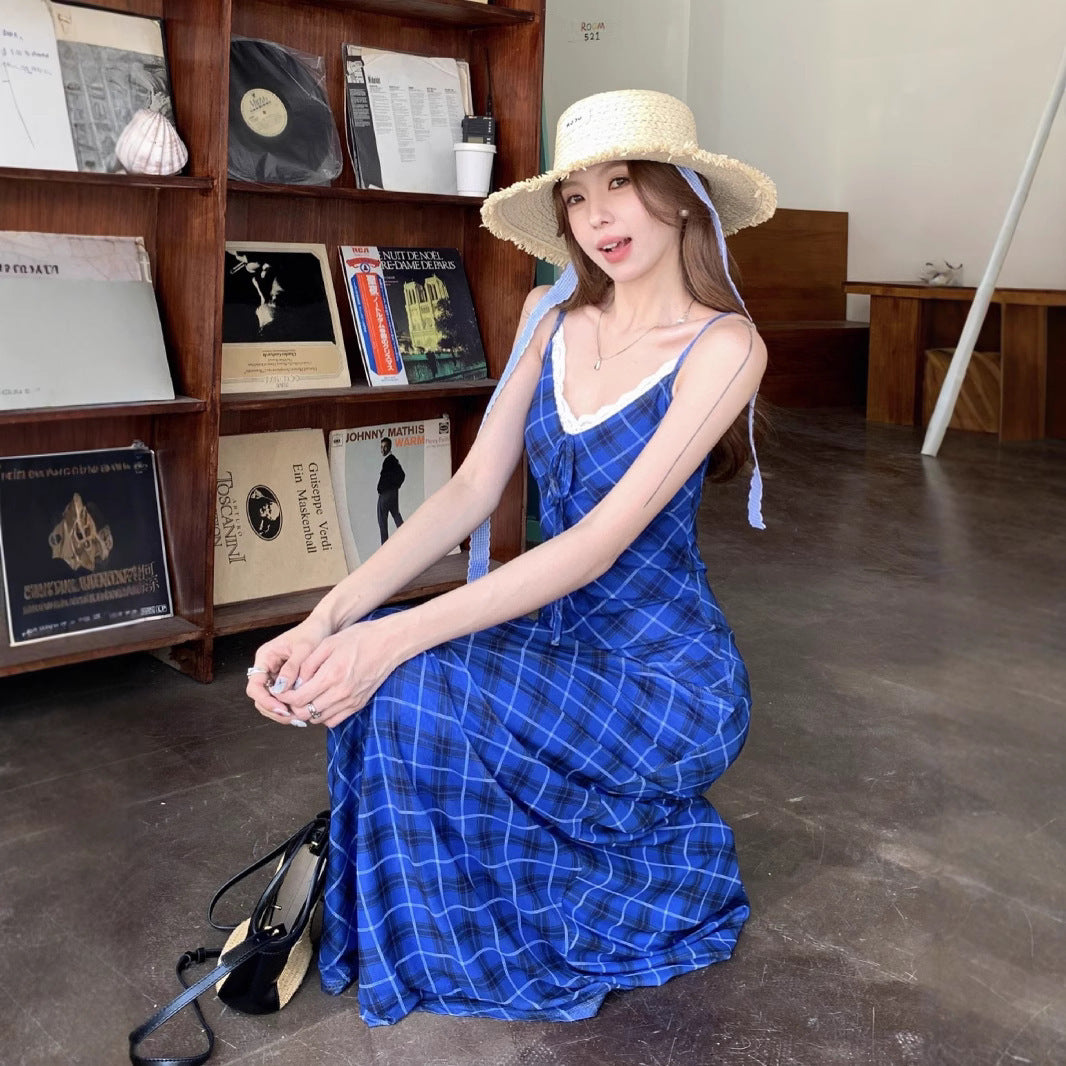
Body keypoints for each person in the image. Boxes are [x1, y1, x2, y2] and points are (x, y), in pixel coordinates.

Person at [246, 88, 776, 1025]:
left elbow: (595, 545)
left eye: (622, 184)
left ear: (684, 194)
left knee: (402, 663)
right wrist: (324, 621)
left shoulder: (724, 346)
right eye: (576, 196)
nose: (598, 216)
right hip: (550, 640)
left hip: (661, 678)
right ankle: (434, 924)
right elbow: (466, 493)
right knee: (384, 663)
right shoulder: (548, 313)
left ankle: (599, 890)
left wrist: (389, 638)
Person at [375, 436, 405, 543]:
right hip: (393, 494)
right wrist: (395, 486)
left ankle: (385, 547)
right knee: (396, 515)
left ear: (389, 447)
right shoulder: (394, 460)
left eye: (385, 447)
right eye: (381, 447)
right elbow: (402, 475)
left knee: (382, 521)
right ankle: (407, 538)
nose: (382, 449)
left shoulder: (388, 461)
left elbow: (385, 479)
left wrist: (381, 489)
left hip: (385, 495)